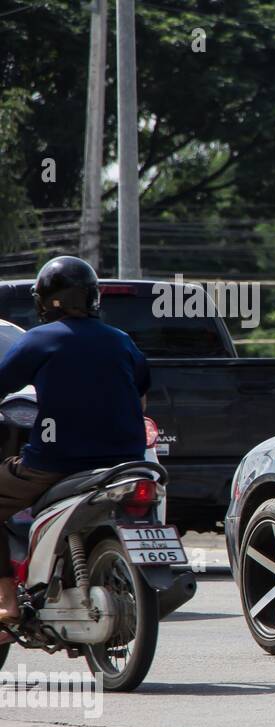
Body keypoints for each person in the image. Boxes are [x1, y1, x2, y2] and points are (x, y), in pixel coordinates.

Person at [0, 256, 151, 625]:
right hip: (126, 462)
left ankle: (6, 601)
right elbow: (142, 394)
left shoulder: (40, 339)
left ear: (46, 301)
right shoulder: (122, 341)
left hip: (56, 464)